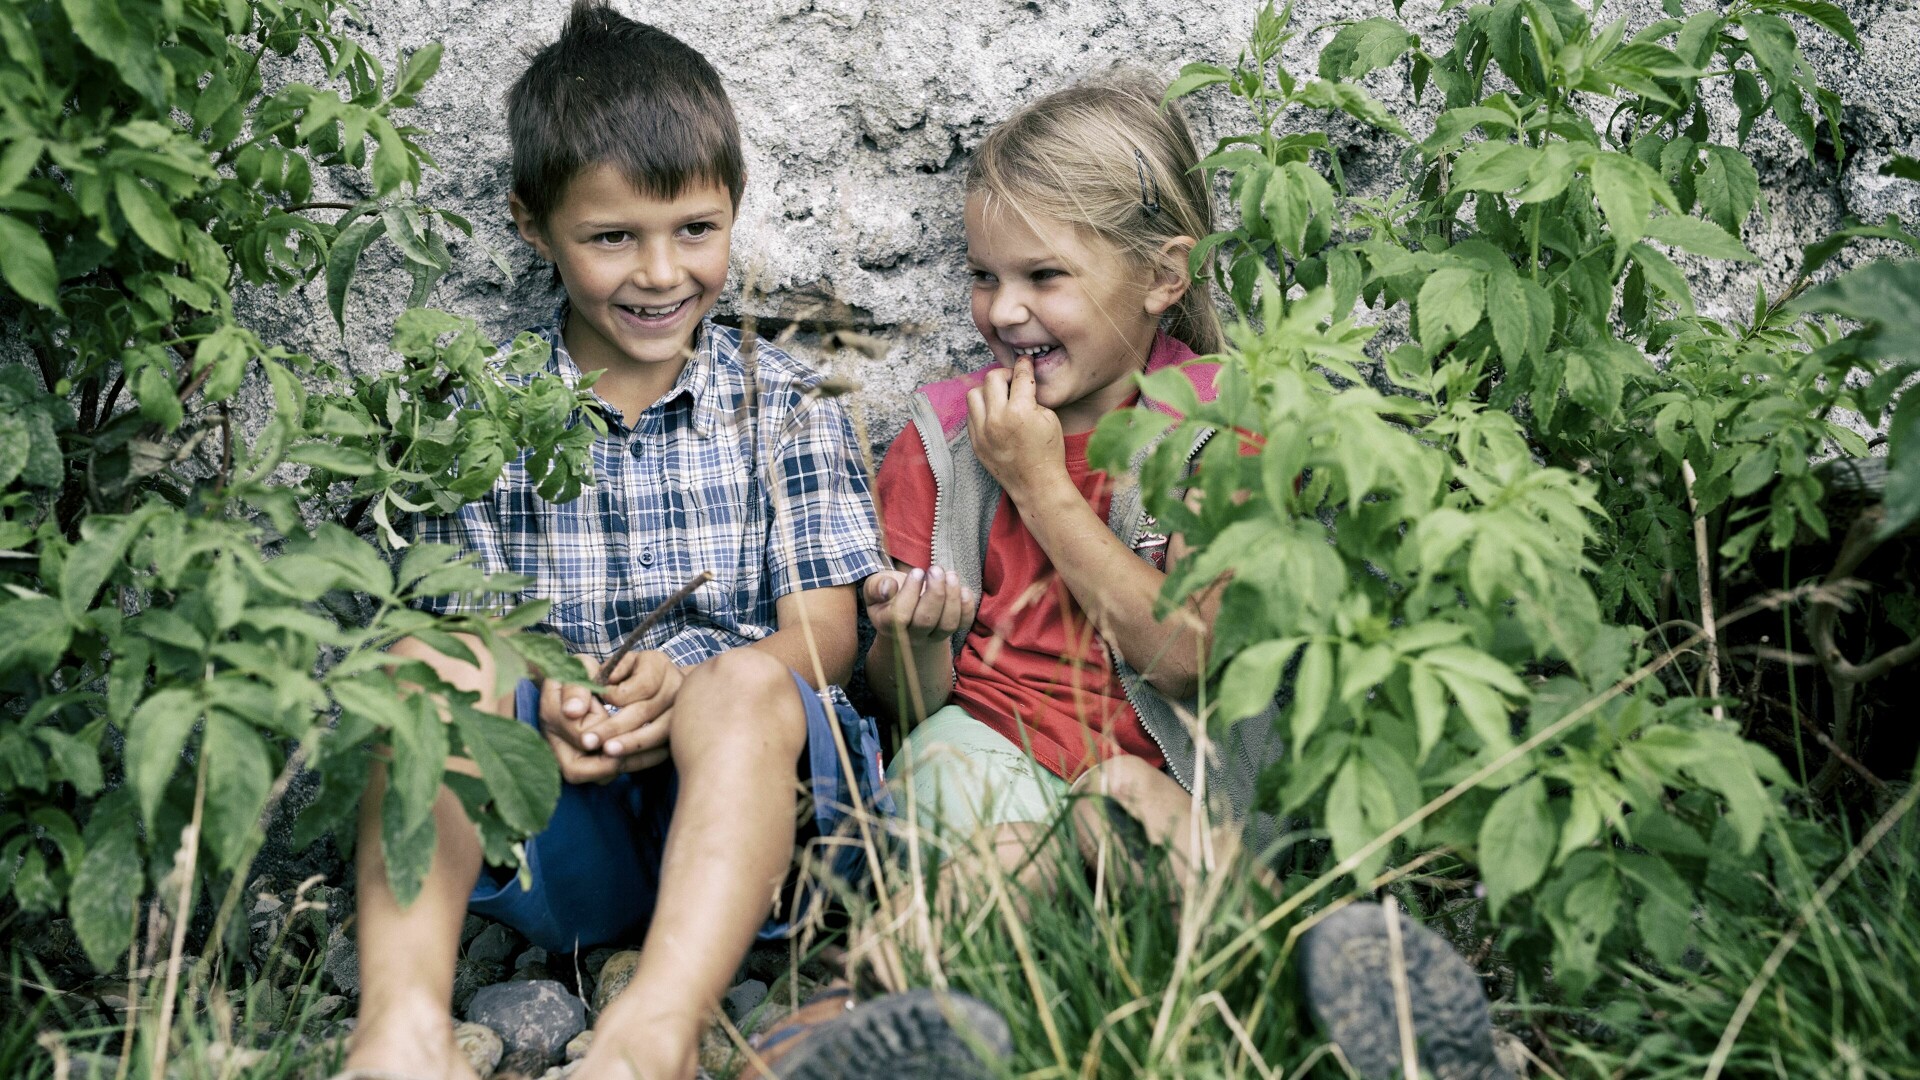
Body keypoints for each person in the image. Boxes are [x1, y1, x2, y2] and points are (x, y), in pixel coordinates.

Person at [340, 6, 1006, 1079]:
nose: (660, 273)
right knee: (418, 669)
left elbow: (827, 633)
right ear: (531, 224)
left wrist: (691, 681)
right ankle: (399, 1028)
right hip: (567, 807)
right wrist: (554, 695)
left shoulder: (783, 402)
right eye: (612, 238)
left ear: (733, 211)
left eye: (695, 229)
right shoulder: (474, 416)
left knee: (742, 688)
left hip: (764, 818)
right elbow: (459, 629)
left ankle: (654, 1033)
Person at [860, 70, 1515, 1080]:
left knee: (1118, 796)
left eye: (1045, 277)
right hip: (981, 784)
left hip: (1169, 794)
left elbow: (1184, 658)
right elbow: (910, 709)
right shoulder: (943, 440)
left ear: (1165, 275)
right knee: (998, 857)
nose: (1003, 311)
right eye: (984, 275)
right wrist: (913, 642)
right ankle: (850, 1031)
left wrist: (1042, 485)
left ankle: (1337, 1008)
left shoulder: (1219, 432)